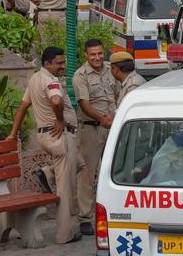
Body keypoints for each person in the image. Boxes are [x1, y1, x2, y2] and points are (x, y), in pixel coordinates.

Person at [8, 47, 85, 244]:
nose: (63, 66)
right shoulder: (51, 81)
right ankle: (64, 235)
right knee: (64, 191)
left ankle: (47, 173)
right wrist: (60, 120)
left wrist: (12, 134)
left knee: (81, 164)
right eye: (59, 63)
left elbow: (23, 106)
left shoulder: (35, 79)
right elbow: (57, 101)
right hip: (59, 137)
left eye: (63, 62)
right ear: (47, 63)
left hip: (46, 137)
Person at [71, 39, 119, 236]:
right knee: (87, 174)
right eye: (93, 54)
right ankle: (84, 217)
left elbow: (116, 95)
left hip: (112, 126)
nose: (97, 57)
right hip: (91, 128)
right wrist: (102, 119)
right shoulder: (80, 76)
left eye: (100, 53)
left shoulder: (110, 70)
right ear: (86, 55)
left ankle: (115, 213)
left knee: (116, 171)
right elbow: (84, 104)